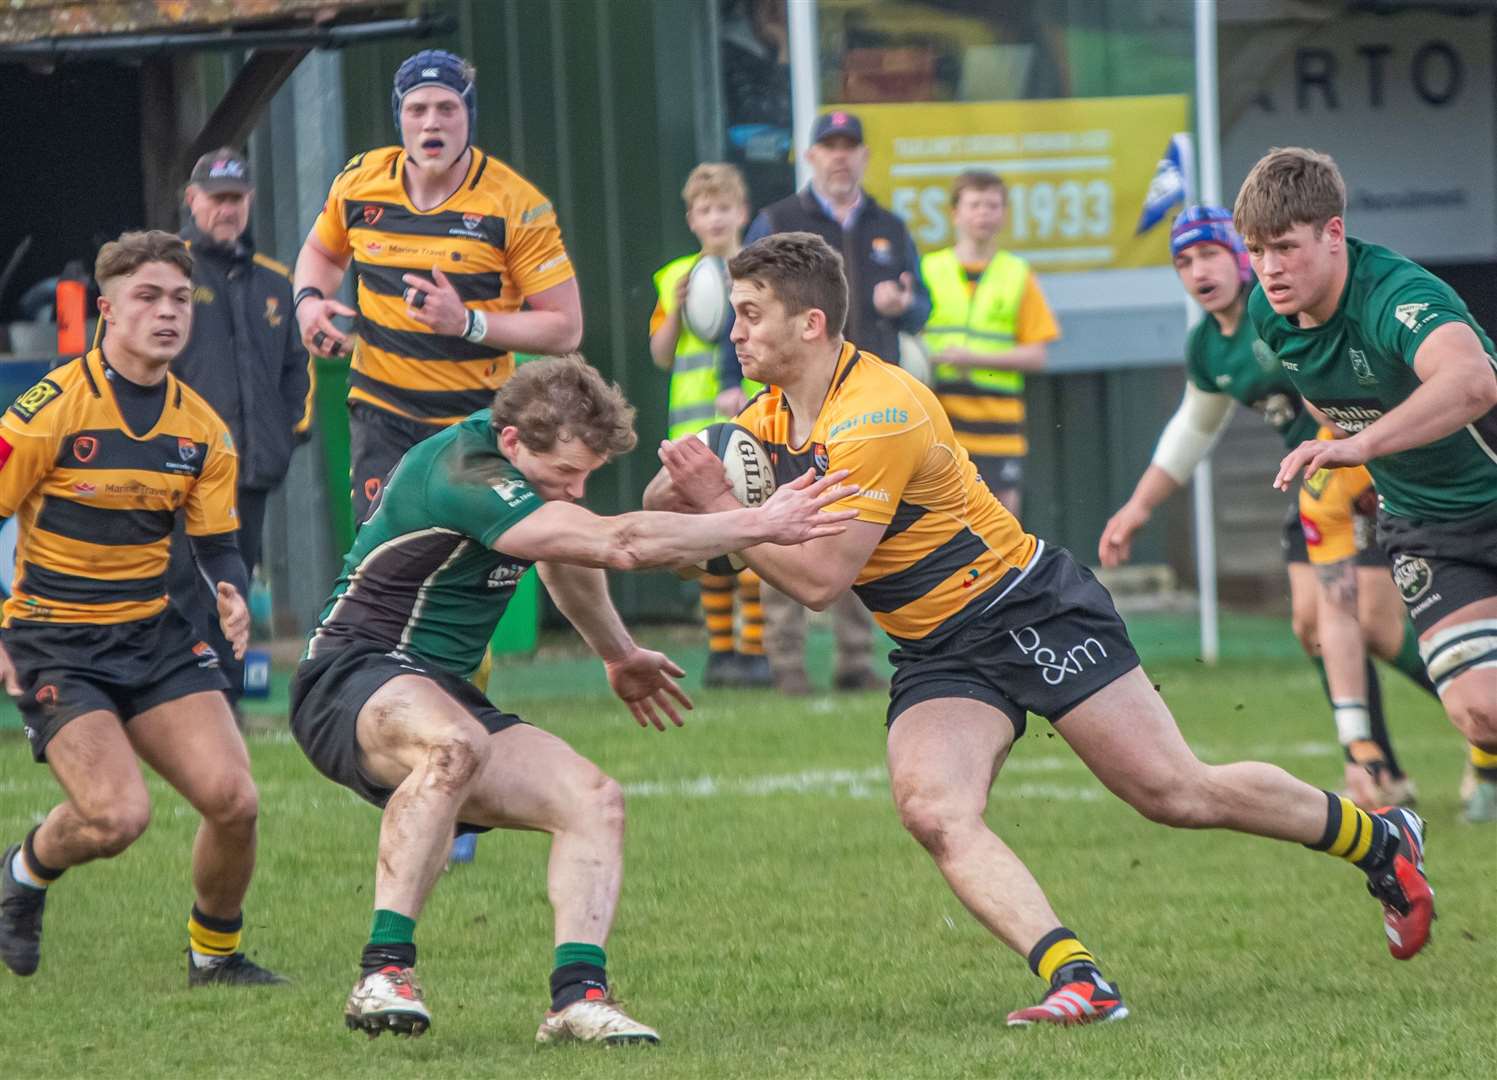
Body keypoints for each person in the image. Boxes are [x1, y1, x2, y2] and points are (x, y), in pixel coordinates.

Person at [647, 231, 1433, 1028]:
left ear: (810, 323)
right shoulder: (766, 417)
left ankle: (1378, 839)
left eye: (750, 315)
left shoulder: (877, 412)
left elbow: (820, 581)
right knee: (931, 807)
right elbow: (672, 520)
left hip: (1024, 607)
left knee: (1172, 792)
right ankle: (1079, 978)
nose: (733, 333)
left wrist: (721, 513)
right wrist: (684, 495)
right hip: (937, 645)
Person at [290, 354, 855, 1043]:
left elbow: (568, 557)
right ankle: (382, 973)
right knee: (454, 745)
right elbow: (613, 543)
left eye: (586, 474)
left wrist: (618, 654)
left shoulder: (526, 471)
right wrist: (756, 524)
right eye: (565, 474)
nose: (576, 488)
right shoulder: (463, 474)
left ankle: (576, 998)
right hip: (350, 675)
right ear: (511, 442)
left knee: (593, 800)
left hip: (441, 692)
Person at [0, 231, 284, 986]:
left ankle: (213, 958)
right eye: (148, 297)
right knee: (116, 819)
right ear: (108, 311)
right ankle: (22, 876)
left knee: (235, 801)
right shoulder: (47, 410)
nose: (167, 313)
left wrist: (229, 590)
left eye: (180, 299)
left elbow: (217, 543)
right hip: (55, 642)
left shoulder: (201, 430)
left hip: (153, 636)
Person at [1099, 206, 1439, 809]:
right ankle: (1382, 767)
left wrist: (1350, 436)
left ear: (1241, 257)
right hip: (1310, 478)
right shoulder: (1209, 342)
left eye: (1208, 253)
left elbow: (1347, 389)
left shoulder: (1279, 311)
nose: (1198, 270)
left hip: (1355, 469)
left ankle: (1419, 744)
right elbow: (1193, 428)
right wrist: (1137, 508)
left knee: (1374, 628)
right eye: (1183, 260)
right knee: (1315, 627)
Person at [1236, 146, 1497, 799]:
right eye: (1255, 251)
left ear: (1332, 234)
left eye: (1284, 247)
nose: (1268, 268)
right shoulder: (1270, 313)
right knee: (1480, 714)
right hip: (1427, 525)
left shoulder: (1394, 294)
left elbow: (1471, 382)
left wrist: (1361, 447)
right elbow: (1323, 392)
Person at [292, 48, 581, 526]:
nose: (432, 124)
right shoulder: (361, 181)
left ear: (468, 116)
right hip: (381, 410)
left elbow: (565, 329)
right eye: (417, 109)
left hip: (475, 418)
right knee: (383, 555)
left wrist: (468, 322)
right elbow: (322, 253)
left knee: (469, 564)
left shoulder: (515, 204)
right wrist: (308, 303)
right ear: (399, 118)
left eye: (447, 108)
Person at [742, 109, 931, 695]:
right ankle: (786, 664)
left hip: (866, 403)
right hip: (794, 399)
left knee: (857, 527)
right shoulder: (779, 220)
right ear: (810, 157)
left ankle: (855, 659)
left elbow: (924, 307)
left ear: (864, 157)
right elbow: (747, 302)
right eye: (830, 146)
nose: (841, 156)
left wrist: (905, 305)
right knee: (786, 521)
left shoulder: (889, 225)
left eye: (850, 146)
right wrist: (738, 376)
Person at [169, 147, 315, 700]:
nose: (226, 210)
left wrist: (281, 439)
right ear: (192, 200)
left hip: (246, 474)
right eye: (216, 199)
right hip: (176, 474)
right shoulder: (167, 272)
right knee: (179, 593)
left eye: (236, 199)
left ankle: (225, 709)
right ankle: (176, 708)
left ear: (249, 201)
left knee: (229, 594)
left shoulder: (276, 282)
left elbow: (296, 371)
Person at [650, 163, 769, 688]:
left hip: (748, 423)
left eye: (725, 208)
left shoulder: (761, 270)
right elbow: (659, 355)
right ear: (691, 219)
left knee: (753, 533)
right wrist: (674, 312)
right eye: (706, 210)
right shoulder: (675, 274)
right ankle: (721, 651)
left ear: (742, 213)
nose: (716, 218)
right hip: (693, 425)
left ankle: (756, 647)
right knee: (706, 540)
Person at [921, 169, 1059, 515]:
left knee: (1002, 523)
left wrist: (975, 358)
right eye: (975, 204)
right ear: (955, 213)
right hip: (942, 423)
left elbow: (1037, 355)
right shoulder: (929, 269)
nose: (984, 213)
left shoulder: (1017, 273)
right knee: (942, 522)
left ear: (1004, 214)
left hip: (999, 426)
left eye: (993, 205)